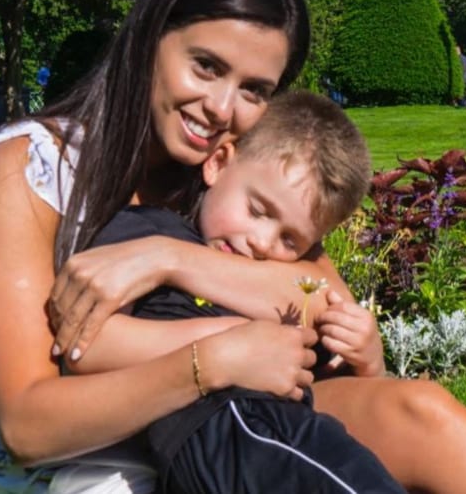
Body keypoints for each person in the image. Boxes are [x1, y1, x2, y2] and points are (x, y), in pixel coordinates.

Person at [0, 0, 466, 494]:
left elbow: (323, 303)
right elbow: (26, 426)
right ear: (150, 35)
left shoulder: (236, 175)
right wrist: (214, 359)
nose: (221, 108)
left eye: (254, 89)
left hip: (241, 426)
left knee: (421, 410)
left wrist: (165, 258)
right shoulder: (33, 168)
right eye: (206, 66)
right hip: (92, 464)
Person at [76, 91, 405, 494]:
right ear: (218, 163)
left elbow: (324, 375)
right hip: (230, 432)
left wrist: (369, 362)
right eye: (257, 211)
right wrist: (228, 345)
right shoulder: (148, 231)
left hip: (280, 434)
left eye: (290, 240)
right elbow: (88, 347)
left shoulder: (274, 279)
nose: (262, 242)